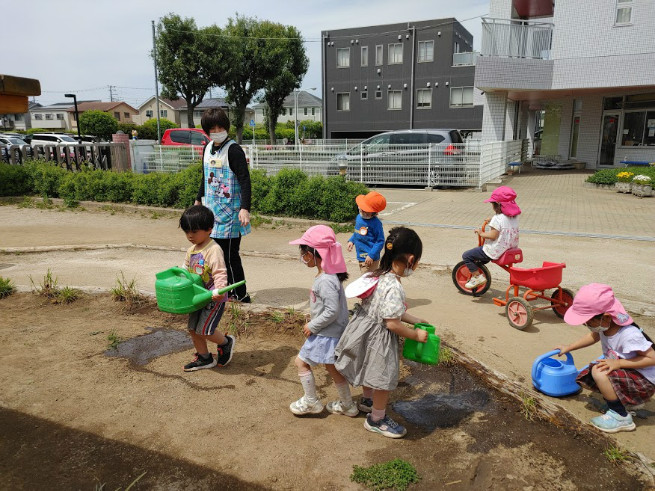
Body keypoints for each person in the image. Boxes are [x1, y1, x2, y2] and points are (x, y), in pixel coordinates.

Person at [335, 227, 429, 438]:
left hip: (364, 331)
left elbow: (387, 310)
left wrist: (413, 319)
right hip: (380, 338)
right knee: (383, 378)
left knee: (370, 368)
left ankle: (368, 400)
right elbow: (392, 323)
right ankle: (376, 419)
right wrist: (416, 335)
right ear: (411, 259)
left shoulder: (378, 274)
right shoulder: (395, 287)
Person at [555, 284, 655, 433]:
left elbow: (652, 358)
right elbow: (593, 336)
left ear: (606, 317)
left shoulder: (629, 335)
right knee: (594, 370)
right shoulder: (606, 326)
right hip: (630, 373)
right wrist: (569, 347)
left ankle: (620, 416)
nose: (586, 324)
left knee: (599, 371)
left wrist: (618, 363)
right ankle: (622, 402)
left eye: (588, 321)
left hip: (643, 382)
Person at [287, 225, 358, 417]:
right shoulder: (330, 276)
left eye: (304, 251)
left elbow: (332, 311)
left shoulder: (326, 280)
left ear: (314, 253)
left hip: (325, 333)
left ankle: (311, 401)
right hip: (332, 333)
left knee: (301, 362)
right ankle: (347, 405)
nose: (302, 256)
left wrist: (312, 325)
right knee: (332, 369)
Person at [195, 107, 252, 303]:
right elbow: (204, 176)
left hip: (230, 214)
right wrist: (197, 200)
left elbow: (245, 180)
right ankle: (221, 292)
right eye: (213, 128)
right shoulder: (207, 148)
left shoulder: (234, 150)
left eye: (221, 126)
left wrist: (245, 208)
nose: (217, 130)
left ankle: (241, 294)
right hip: (211, 212)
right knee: (214, 256)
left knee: (229, 256)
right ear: (207, 131)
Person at [179, 205, 235, 371]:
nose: (190, 236)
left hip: (212, 298)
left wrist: (219, 290)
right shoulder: (191, 250)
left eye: (194, 232)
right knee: (193, 329)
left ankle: (226, 342)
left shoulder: (213, 250)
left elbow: (220, 272)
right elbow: (185, 270)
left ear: (209, 229)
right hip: (196, 297)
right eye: (186, 231)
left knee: (204, 330)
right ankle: (204, 358)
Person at [462, 186, 520, 290]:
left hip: (496, 251)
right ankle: (479, 268)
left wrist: (481, 233)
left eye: (492, 204)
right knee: (479, 256)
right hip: (510, 249)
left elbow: (493, 235)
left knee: (467, 255)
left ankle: (477, 277)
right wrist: (493, 219)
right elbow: (504, 220)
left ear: (498, 205)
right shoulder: (514, 217)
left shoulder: (497, 219)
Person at [347, 191, 386, 274]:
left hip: (370, 259)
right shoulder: (359, 218)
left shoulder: (376, 223)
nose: (362, 211)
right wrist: (352, 240)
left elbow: (380, 241)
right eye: (362, 208)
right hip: (360, 256)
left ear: (374, 212)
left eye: (366, 210)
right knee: (366, 280)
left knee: (367, 281)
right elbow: (357, 232)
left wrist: (371, 255)